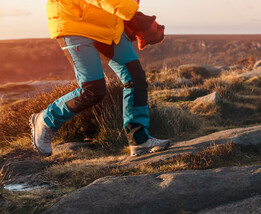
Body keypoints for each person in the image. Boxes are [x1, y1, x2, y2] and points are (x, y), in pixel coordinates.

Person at [29, 0, 170, 157]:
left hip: (109, 25)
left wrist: (140, 21)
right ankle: (46, 119)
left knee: (135, 79)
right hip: (75, 24)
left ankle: (140, 139)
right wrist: (129, 11)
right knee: (92, 90)